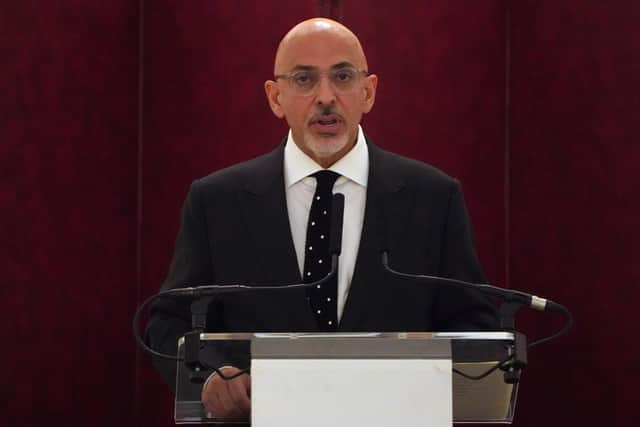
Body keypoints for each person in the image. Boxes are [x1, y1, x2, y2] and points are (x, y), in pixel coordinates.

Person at [145, 17, 498, 420]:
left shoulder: (433, 197)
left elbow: (473, 324)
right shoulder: (217, 201)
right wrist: (209, 379)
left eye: (343, 76)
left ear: (369, 91)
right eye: (304, 79)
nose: (326, 96)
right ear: (275, 97)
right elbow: (168, 323)